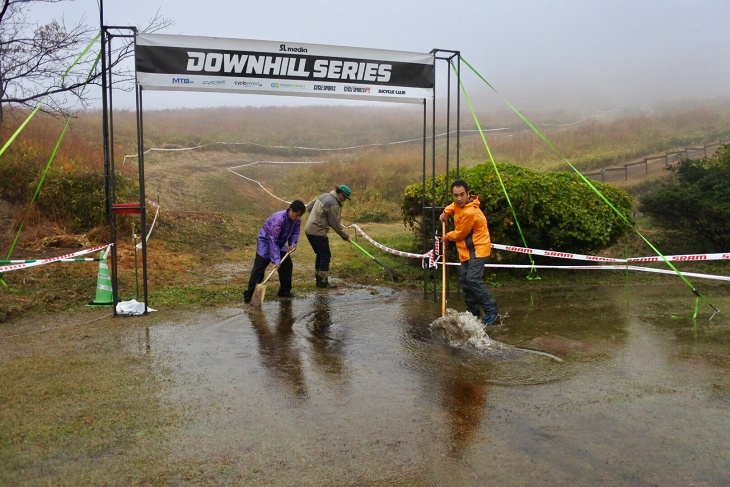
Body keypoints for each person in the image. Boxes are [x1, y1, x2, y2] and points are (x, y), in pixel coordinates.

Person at [439, 179, 499, 325]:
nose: (458, 199)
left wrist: (446, 237)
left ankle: (492, 312)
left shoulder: (470, 212)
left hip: (478, 248)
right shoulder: (460, 205)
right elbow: (453, 206)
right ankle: (473, 313)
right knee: (465, 281)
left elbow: (460, 234)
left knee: (472, 279)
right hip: (466, 250)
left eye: (461, 195)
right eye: (455, 195)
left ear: (468, 195)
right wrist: (445, 213)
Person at [243, 200, 306, 303]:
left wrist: (293, 243)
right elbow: (273, 240)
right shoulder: (278, 219)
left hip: (279, 242)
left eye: (300, 216)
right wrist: (276, 260)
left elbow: (295, 232)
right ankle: (250, 294)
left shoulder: (296, 220)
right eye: (297, 215)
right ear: (291, 210)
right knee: (259, 268)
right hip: (266, 241)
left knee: (287, 265)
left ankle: (285, 291)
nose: (298, 218)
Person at [305, 184, 352, 288]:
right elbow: (335, 223)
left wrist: (315, 216)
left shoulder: (324, 195)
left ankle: (319, 279)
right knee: (325, 255)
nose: (344, 200)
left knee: (320, 254)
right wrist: (345, 236)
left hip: (309, 230)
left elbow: (309, 207)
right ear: (340, 194)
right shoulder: (333, 204)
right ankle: (323, 282)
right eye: (344, 198)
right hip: (318, 232)